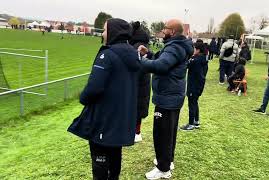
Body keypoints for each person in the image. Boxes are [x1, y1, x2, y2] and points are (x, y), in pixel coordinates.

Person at [67, 18, 140, 180]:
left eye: (105, 29)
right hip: (121, 117)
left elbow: (94, 88)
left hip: (104, 119)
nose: (103, 33)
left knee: (100, 162)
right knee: (115, 155)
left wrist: (83, 98)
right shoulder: (133, 54)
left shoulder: (107, 55)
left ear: (114, 32)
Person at [138, 19, 193, 180]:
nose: (163, 31)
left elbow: (161, 66)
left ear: (173, 32)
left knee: (162, 133)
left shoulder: (175, 47)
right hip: (171, 96)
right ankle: (167, 161)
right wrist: (147, 54)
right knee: (169, 132)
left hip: (167, 98)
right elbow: (161, 58)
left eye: (165, 29)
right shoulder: (175, 46)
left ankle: (163, 169)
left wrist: (141, 60)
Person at [129, 21, 151, 143]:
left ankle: (135, 133)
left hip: (137, 82)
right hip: (144, 81)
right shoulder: (145, 46)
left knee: (134, 108)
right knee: (139, 108)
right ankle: (137, 132)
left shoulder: (135, 48)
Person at [180, 42, 208, 131]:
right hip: (199, 84)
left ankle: (191, 124)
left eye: (194, 49)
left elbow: (186, 65)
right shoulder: (203, 59)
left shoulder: (196, 60)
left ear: (198, 50)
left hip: (194, 84)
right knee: (195, 102)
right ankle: (196, 121)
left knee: (191, 103)